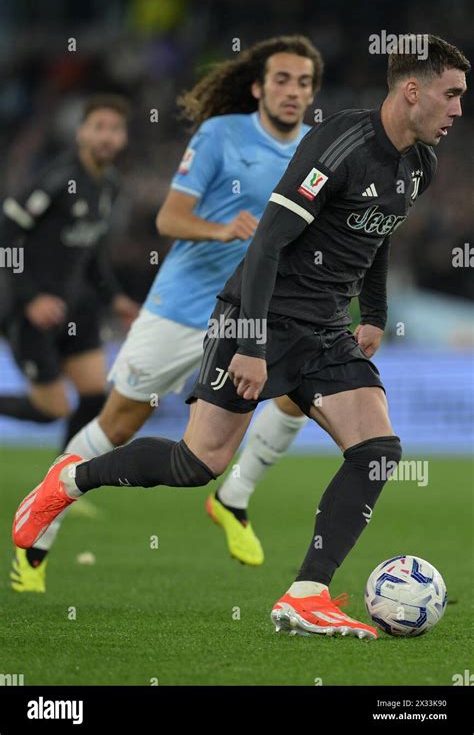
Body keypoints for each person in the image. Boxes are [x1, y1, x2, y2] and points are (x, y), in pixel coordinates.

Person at [13, 35, 469, 639]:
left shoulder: (420, 164)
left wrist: (376, 313)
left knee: (378, 451)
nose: (460, 110)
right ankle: (67, 480)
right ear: (413, 91)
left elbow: (380, 233)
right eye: (453, 94)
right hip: (260, 316)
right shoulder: (338, 145)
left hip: (326, 327)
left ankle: (306, 593)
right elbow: (266, 245)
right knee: (197, 462)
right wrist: (251, 345)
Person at [12, 35, 324, 591]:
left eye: (304, 82)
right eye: (282, 79)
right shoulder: (219, 136)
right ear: (257, 87)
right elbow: (170, 218)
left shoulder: (315, 150)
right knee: (116, 425)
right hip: (183, 306)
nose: (293, 91)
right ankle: (38, 539)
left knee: (299, 391)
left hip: (253, 312)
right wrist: (222, 229)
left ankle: (233, 499)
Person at [1, 95, 139, 591]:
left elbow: (94, 251)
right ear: (82, 131)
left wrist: (118, 298)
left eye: (115, 129)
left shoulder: (111, 184)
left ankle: (55, 488)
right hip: (31, 310)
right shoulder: (56, 178)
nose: (106, 136)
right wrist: (30, 295)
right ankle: (49, 491)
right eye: (98, 126)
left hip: (76, 310)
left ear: (123, 138)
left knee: (95, 397)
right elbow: (7, 233)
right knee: (51, 407)